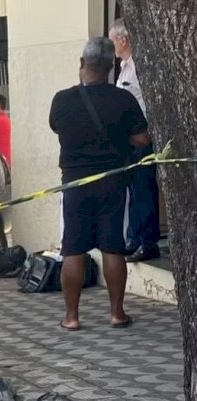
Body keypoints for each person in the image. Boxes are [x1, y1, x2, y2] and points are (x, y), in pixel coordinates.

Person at [49, 37, 150, 331]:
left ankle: (71, 316)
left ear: (82, 64)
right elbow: (143, 138)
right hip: (112, 183)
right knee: (113, 247)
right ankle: (117, 313)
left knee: (73, 248)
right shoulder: (123, 99)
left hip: (75, 184)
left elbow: (56, 126)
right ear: (110, 67)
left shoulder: (62, 100)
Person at [109, 18, 160, 262]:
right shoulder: (124, 66)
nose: (112, 46)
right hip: (127, 140)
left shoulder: (140, 65)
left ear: (123, 39)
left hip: (143, 137)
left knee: (143, 188)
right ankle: (134, 238)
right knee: (133, 188)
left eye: (113, 40)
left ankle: (148, 241)